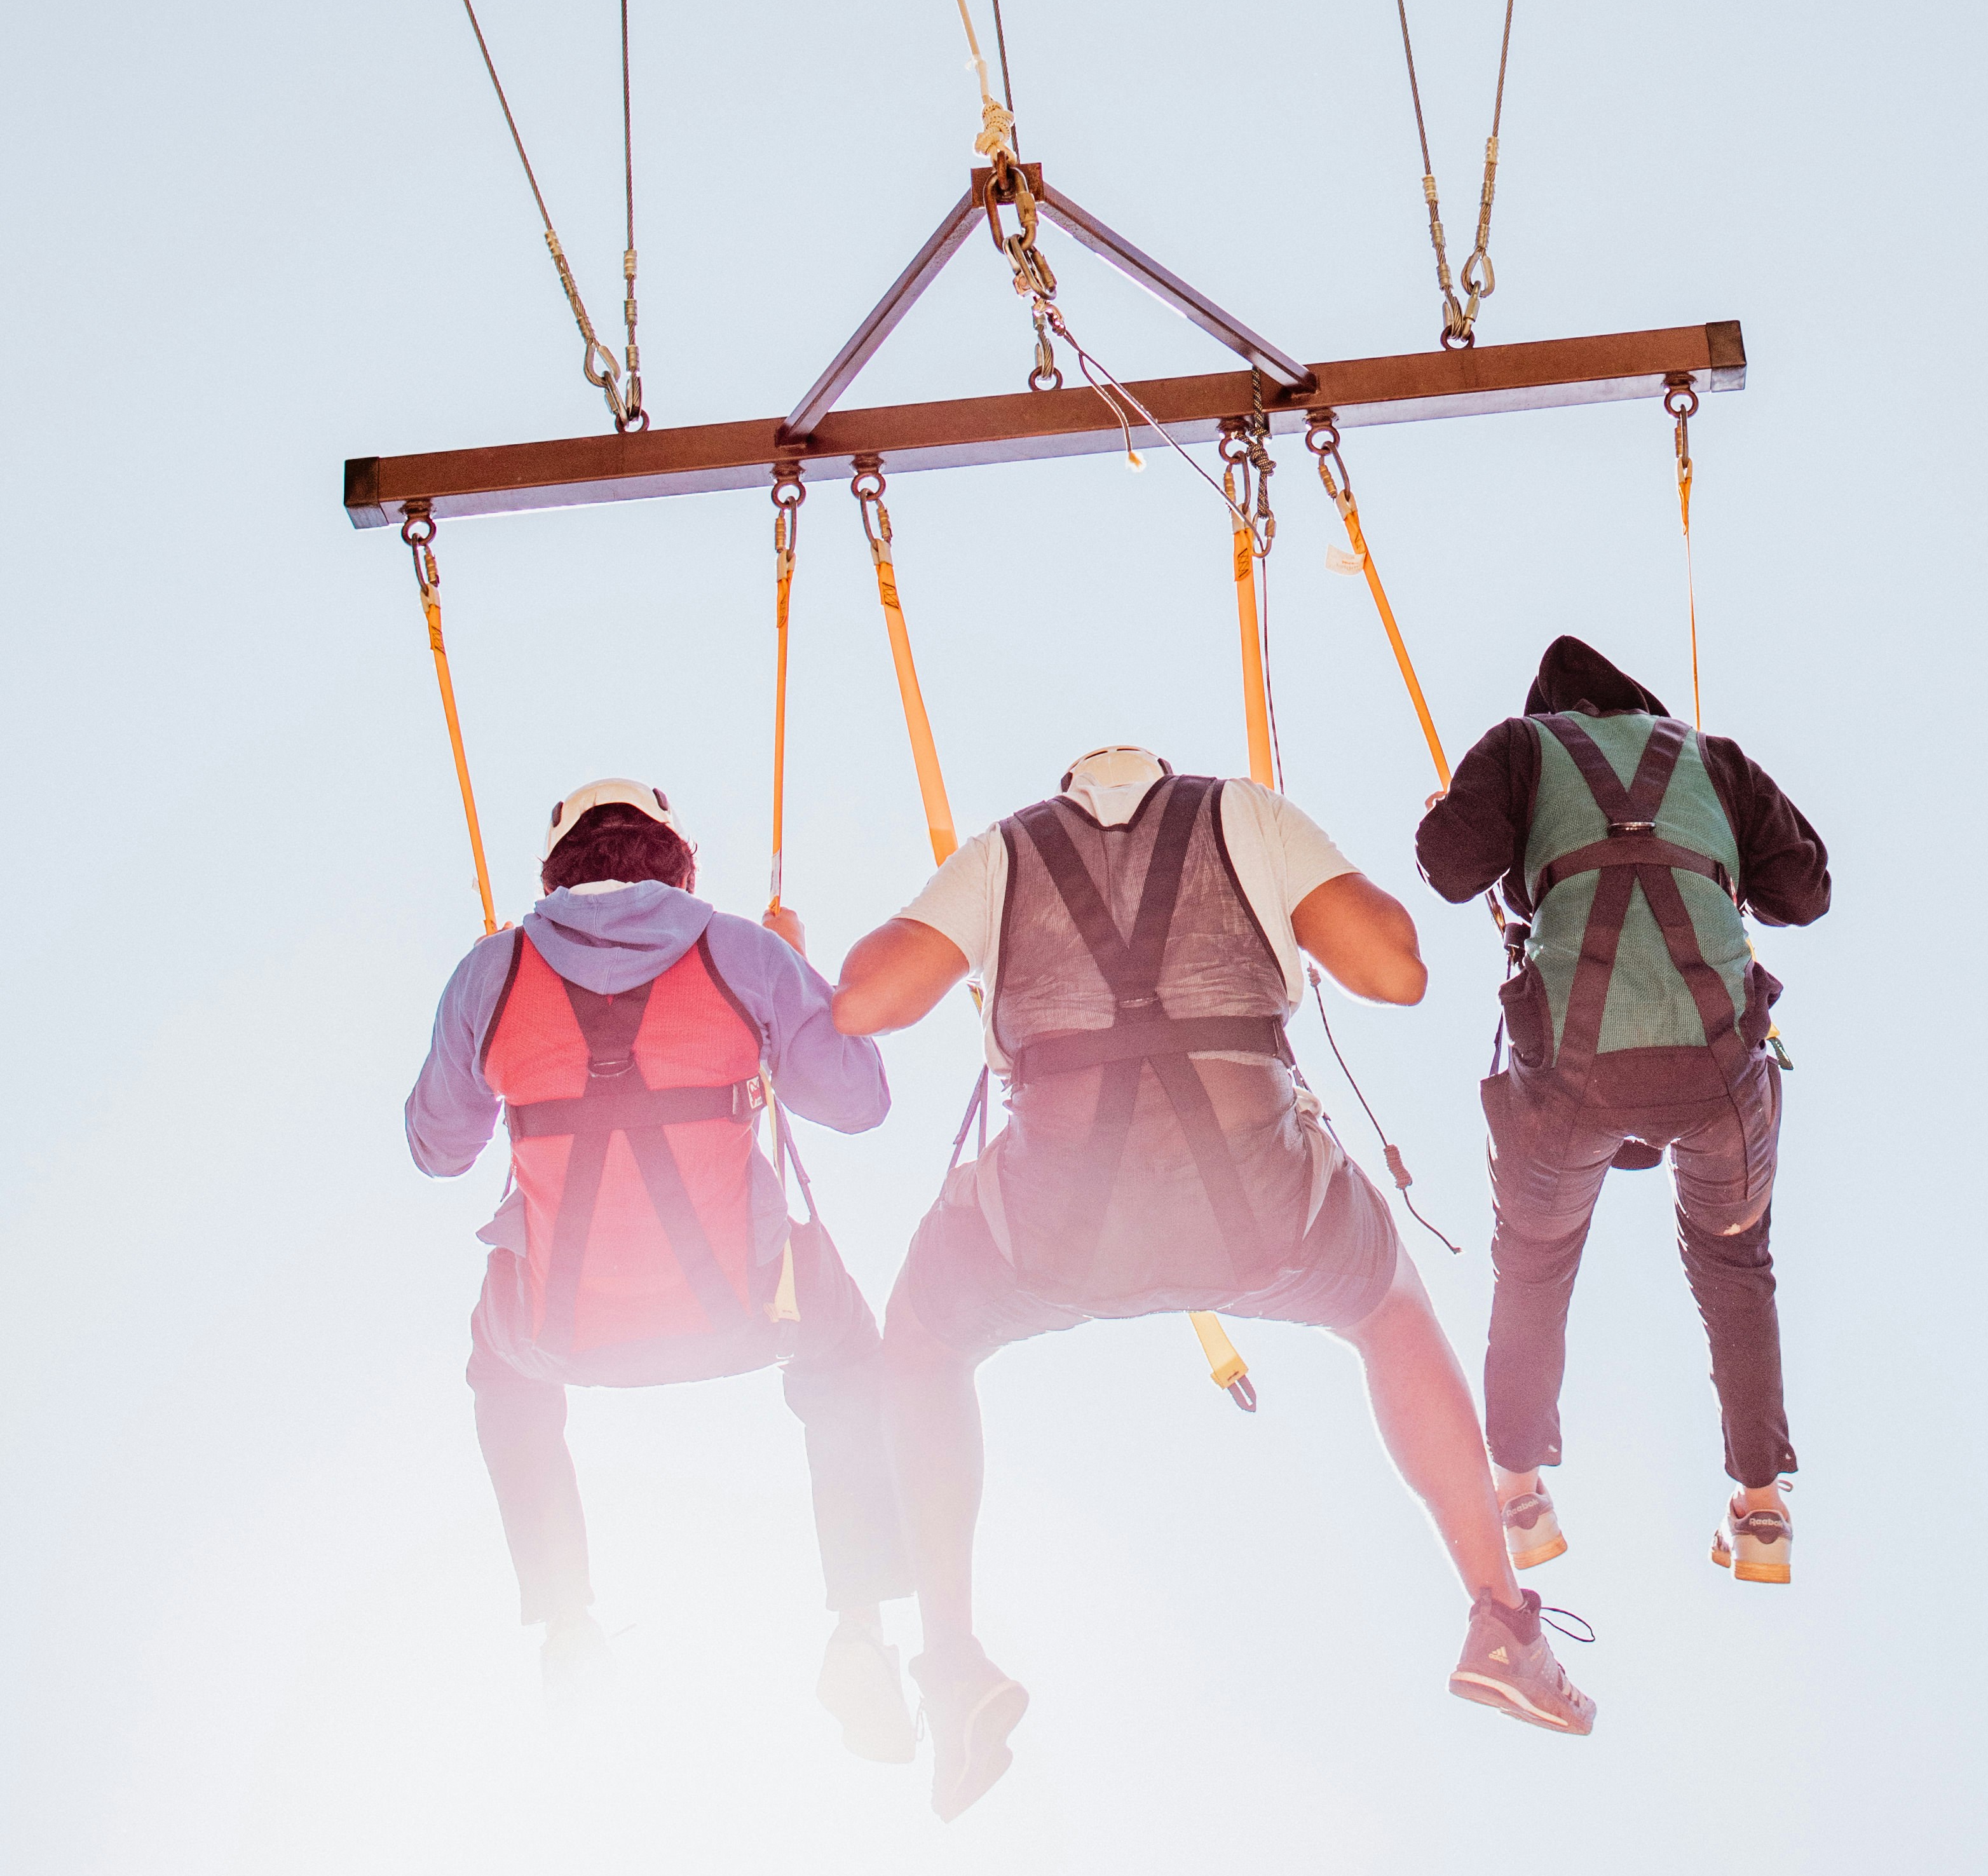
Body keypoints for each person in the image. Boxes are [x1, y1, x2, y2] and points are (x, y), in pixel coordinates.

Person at [832, 742, 1596, 1820]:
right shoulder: (1248, 817)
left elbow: (865, 1002)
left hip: (1055, 1226)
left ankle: (950, 1657)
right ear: (1164, 775)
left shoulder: (1004, 855)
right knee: (1389, 1313)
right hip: (1262, 1209)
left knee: (921, 1344)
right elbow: (1395, 972)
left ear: (1068, 791)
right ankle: (1498, 1616)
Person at [405, 774, 915, 1750]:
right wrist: (798, 979)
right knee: (847, 1353)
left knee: (499, 1368)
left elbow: (438, 1150)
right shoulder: (741, 950)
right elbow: (858, 1103)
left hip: (560, 1331)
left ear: (554, 876)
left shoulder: (492, 972)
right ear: (680, 867)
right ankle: (862, 1625)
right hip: (745, 1309)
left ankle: (565, 1623)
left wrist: (486, 1016)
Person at [1415, 635, 1830, 1587]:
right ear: (1641, 709)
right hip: (1720, 1071)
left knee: (1535, 1259)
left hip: (1573, 1073)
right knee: (1734, 1263)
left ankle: (1518, 1491)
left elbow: (1452, 866)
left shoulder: (1522, 748)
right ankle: (1761, 1506)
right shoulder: (1712, 760)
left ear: (1554, 715)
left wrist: (1451, 818)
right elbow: (1803, 892)